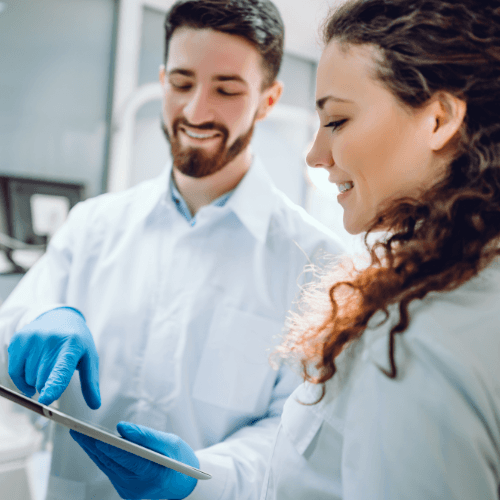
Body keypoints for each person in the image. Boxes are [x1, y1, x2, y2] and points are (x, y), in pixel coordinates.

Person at [0, 1, 344, 499]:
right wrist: (33, 325)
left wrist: (201, 477)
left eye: (226, 90)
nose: (196, 111)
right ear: (162, 78)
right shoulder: (93, 226)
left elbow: (299, 438)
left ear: (268, 99)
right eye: (181, 83)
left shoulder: (317, 263)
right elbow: (11, 339)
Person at [258, 0, 500, 498]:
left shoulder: (415, 341)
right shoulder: (469, 288)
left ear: (439, 120)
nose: (316, 155)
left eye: (338, 121)